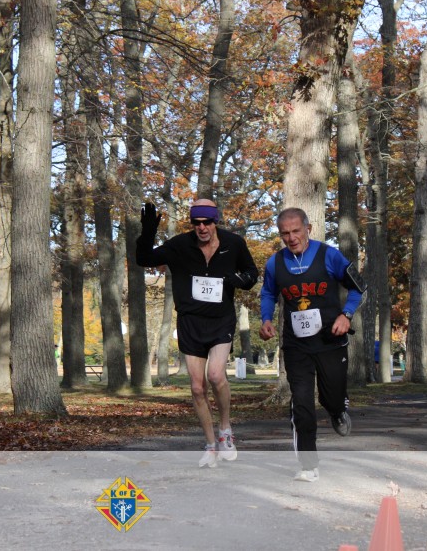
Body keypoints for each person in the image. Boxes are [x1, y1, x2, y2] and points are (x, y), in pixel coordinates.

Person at [136, 198, 258, 468]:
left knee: (215, 375)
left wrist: (241, 280)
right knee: (196, 387)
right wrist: (147, 234)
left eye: (207, 222)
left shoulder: (233, 243)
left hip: (221, 320)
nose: (202, 227)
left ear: (216, 221)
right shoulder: (180, 245)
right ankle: (211, 445)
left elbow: (252, 273)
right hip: (190, 321)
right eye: (196, 223)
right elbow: (143, 259)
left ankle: (225, 430)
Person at [260, 208, 365, 483]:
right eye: (285, 233)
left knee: (331, 397)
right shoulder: (275, 263)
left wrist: (346, 315)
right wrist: (266, 319)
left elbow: (358, 286)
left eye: (296, 231)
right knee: (302, 402)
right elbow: (268, 292)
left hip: (330, 339)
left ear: (308, 228)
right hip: (297, 345)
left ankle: (337, 411)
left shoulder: (329, 255)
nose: (291, 238)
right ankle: (308, 465)